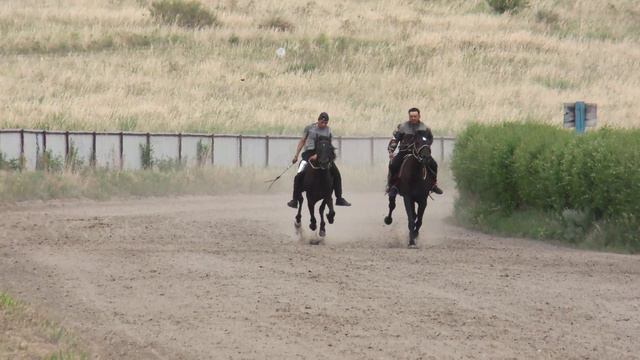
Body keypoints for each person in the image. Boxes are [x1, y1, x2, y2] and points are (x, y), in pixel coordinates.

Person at [287, 112, 352, 208]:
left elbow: (328, 146)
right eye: (322, 122)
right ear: (318, 120)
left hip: (323, 154)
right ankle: (295, 199)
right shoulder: (309, 128)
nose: (324, 124)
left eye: (326, 122)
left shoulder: (328, 131)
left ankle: (339, 198)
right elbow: (302, 141)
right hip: (309, 154)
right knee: (299, 174)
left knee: (336, 173)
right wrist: (296, 155)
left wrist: (317, 155)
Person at [387, 107, 443, 195]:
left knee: (433, 164)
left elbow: (430, 139)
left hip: (420, 152)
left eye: (415, 116)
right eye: (411, 116)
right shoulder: (402, 127)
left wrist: (426, 146)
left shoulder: (425, 128)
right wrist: (391, 150)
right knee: (393, 164)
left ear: (419, 116)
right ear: (409, 117)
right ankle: (392, 186)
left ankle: (433, 184)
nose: (413, 118)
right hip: (405, 151)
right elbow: (395, 139)